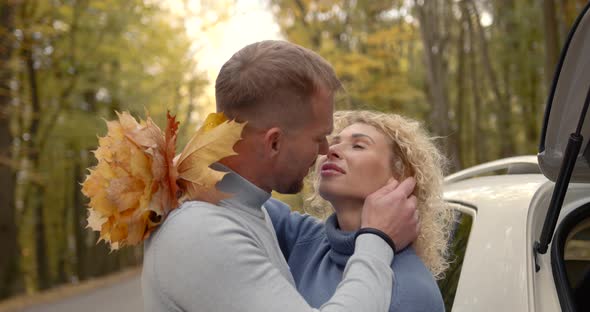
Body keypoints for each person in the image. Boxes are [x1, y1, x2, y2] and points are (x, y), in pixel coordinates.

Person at [141, 40, 420, 312]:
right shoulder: (203, 231)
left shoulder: (242, 207)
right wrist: (378, 240)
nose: (326, 149)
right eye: (319, 137)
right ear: (273, 142)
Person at [266, 110, 454, 312]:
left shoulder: (411, 291)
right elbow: (233, 174)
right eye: (333, 142)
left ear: (401, 176)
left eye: (358, 146)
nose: (331, 150)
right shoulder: (302, 239)